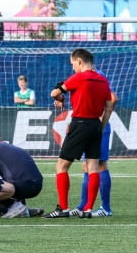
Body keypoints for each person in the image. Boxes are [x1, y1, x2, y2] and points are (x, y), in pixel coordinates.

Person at [42, 48, 113, 219]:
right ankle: (87, 209)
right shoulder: (103, 80)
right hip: (96, 125)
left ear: (79, 61)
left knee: (61, 166)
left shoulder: (79, 77)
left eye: (73, 63)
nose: (73, 67)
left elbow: (54, 93)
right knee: (93, 167)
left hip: (80, 123)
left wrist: (60, 98)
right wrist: (101, 126)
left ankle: (63, 209)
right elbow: (109, 106)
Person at [71, 74, 119, 218]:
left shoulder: (98, 76)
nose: (73, 67)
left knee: (101, 165)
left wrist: (102, 118)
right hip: (88, 127)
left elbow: (113, 98)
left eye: (74, 64)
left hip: (98, 127)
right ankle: (82, 207)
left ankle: (106, 208)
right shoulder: (84, 77)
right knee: (86, 166)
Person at [0, 136, 44, 218]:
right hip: (38, 185)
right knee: (15, 177)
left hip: (21, 185)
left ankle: (8, 209)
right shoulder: (16, 148)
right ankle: (23, 209)